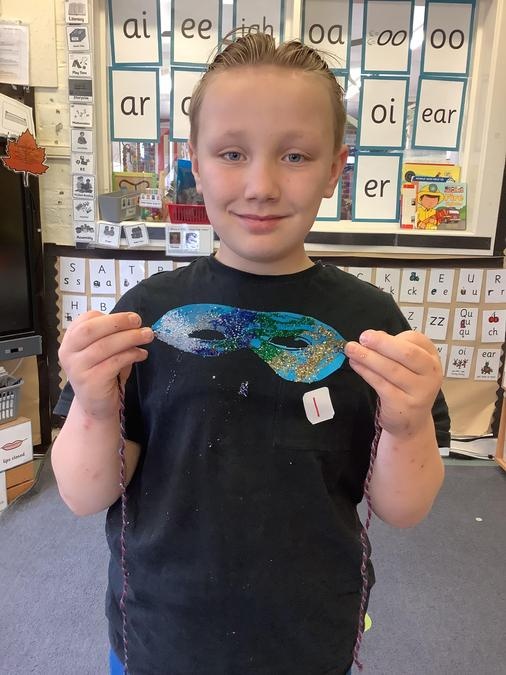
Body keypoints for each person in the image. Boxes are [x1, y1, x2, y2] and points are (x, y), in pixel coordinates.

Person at [52, 33, 450, 675]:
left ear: (334, 170)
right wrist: (95, 408)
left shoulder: (372, 327)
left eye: (295, 155)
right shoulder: (144, 317)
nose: (261, 185)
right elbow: (82, 493)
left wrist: (407, 426)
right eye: (232, 153)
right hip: (160, 632)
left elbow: (404, 509)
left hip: (308, 635)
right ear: (195, 162)